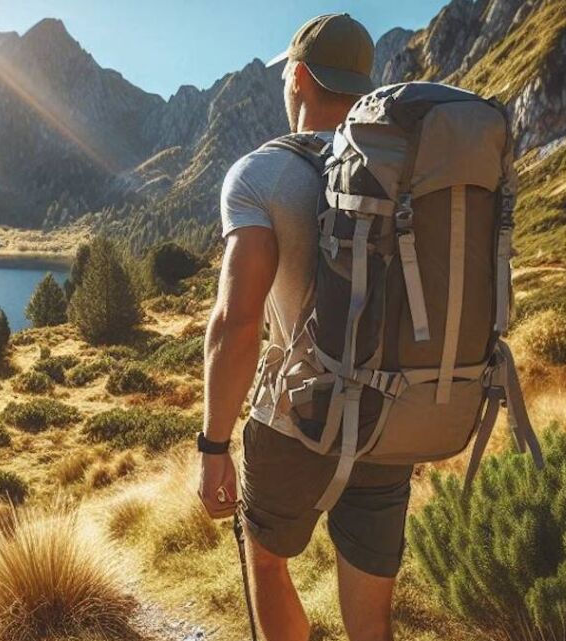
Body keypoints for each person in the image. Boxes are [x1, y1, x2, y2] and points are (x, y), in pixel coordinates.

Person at [196, 14, 411, 641]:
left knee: (267, 561)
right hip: (388, 413)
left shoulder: (260, 174)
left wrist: (213, 448)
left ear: (298, 77)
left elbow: (237, 323)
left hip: (298, 417)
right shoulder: (404, 168)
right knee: (372, 614)